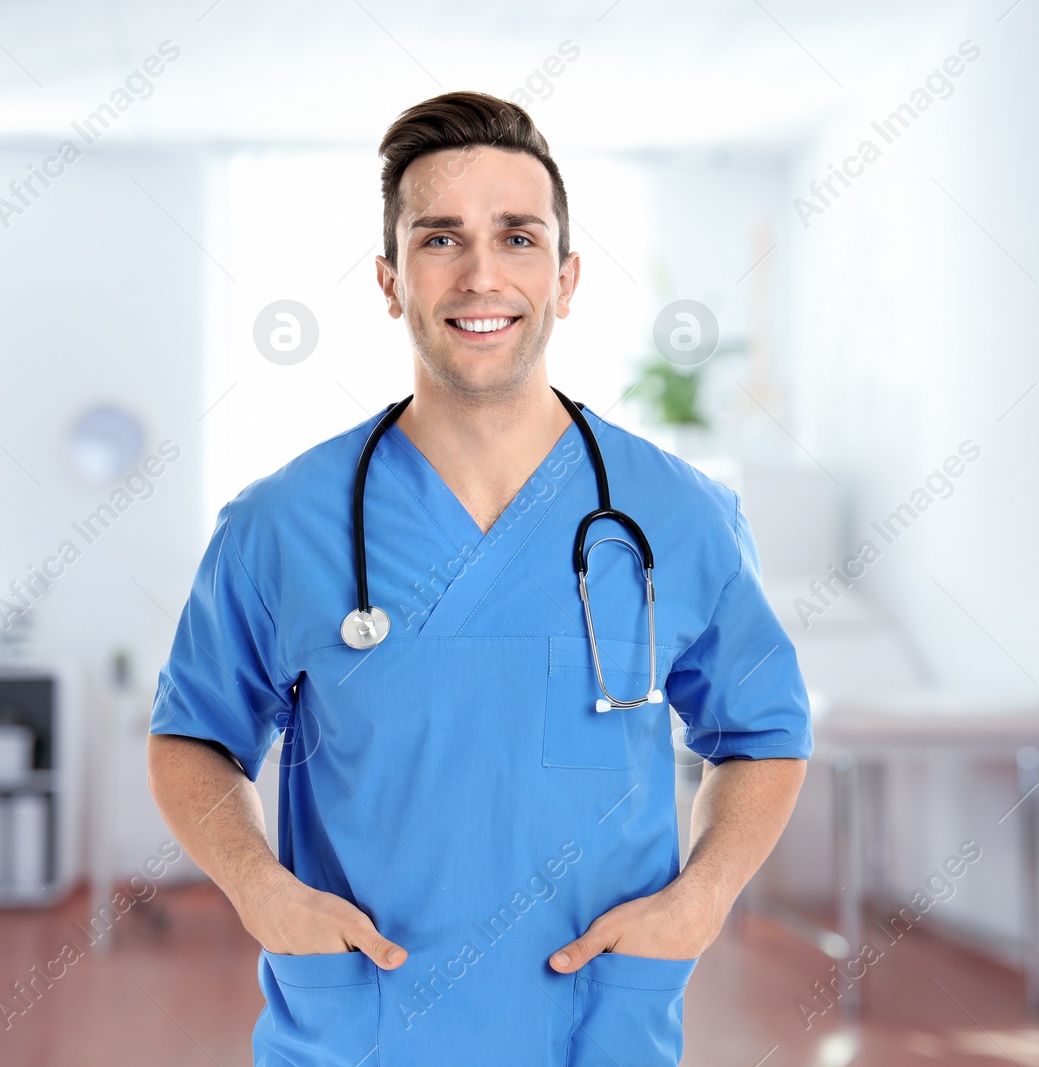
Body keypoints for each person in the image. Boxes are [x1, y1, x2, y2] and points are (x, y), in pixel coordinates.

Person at [147, 90, 811, 1067]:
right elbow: (193, 736)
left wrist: (703, 896)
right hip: (355, 1026)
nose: (481, 274)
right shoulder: (279, 524)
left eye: (517, 236)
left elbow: (763, 732)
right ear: (389, 279)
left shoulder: (678, 514)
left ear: (567, 275)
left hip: (600, 1025)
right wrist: (257, 885)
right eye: (440, 239)